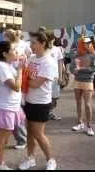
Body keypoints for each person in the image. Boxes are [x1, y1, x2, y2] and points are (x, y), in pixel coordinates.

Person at [18, 32, 57, 170]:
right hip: (29, 101)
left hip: (41, 103)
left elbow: (35, 84)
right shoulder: (32, 58)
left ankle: (50, 159)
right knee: (29, 132)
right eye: (31, 42)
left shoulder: (49, 62)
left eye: (34, 43)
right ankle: (30, 158)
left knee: (38, 133)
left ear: (43, 43)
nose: (31, 45)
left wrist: (21, 75)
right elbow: (27, 77)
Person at [0, 41, 25, 170]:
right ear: (5, 54)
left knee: (4, 140)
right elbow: (16, 87)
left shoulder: (8, 65)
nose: (17, 52)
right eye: (14, 50)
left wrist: (20, 64)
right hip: (5, 109)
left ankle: (0, 164)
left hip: (12, 108)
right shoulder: (2, 67)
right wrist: (20, 69)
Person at [4, 29, 28, 150]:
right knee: (14, 115)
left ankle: (22, 139)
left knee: (16, 115)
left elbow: (24, 62)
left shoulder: (21, 46)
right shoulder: (11, 47)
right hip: (13, 82)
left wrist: (20, 67)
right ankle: (21, 138)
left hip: (17, 81)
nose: (15, 52)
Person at [70, 36, 95, 136]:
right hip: (77, 80)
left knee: (87, 104)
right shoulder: (77, 55)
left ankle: (89, 126)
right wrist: (74, 70)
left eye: (86, 43)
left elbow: (93, 69)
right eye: (82, 43)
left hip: (88, 81)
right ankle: (79, 123)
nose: (84, 45)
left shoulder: (94, 55)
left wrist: (80, 69)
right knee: (78, 103)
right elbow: (72, 68)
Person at [46, 33, 63, 121]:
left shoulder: (57, 49)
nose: (49, 42)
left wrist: (60, 76)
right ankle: (46, 113)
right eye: (48, 40)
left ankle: (50, 112)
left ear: (53, 40)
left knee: (55, 97)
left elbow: (60, 63)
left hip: (55, 77)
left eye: (51, 40)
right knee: (46, 96)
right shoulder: (44, 49)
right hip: (45, 78)